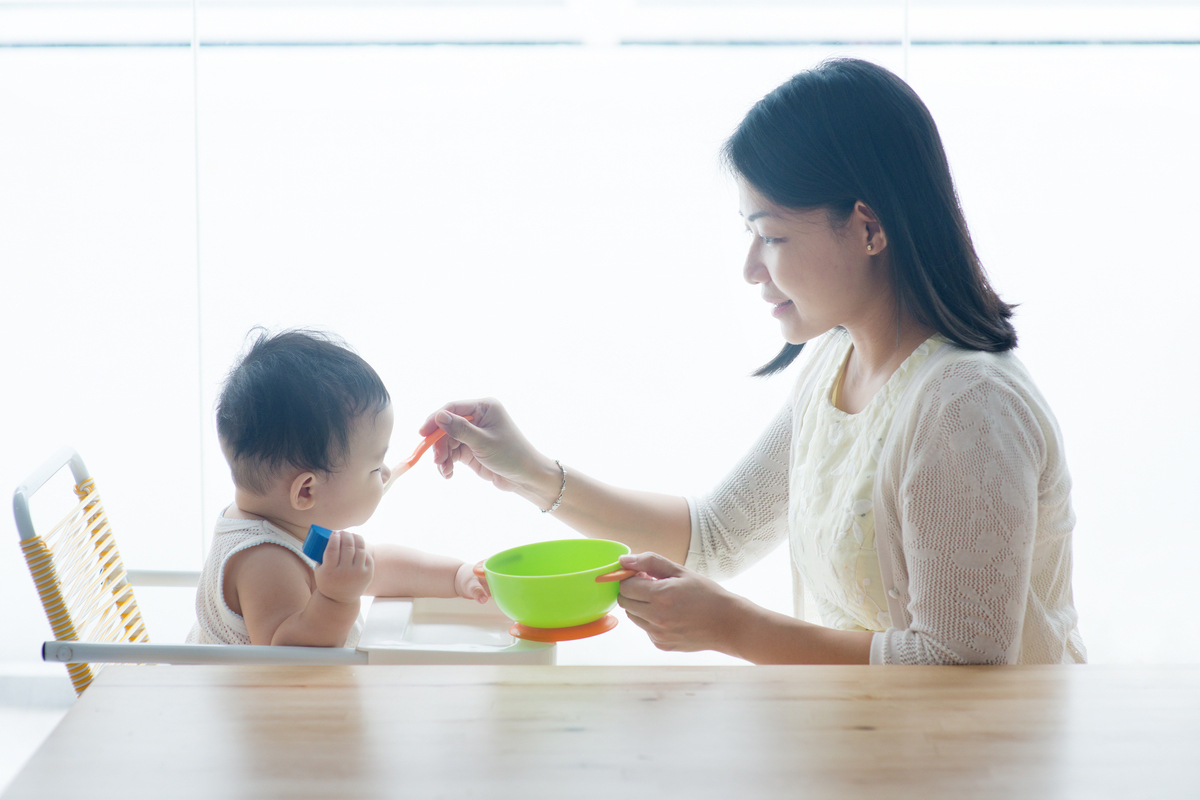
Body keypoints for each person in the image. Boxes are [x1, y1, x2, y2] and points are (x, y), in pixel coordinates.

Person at [417, 58, 1085, 666]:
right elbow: (717, 536)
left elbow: (961, 666)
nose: (750, 268)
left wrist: (733, 627)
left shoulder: (966, 406)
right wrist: (528, 472)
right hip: (870, 738)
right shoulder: (837, 364)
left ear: (869, 228)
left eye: (772, 236)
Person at [188, 329, 489, 648]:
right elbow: (288, 657)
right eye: (375, 467)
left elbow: (376, 565)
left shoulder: (287, 521)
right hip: (271, 684)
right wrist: (337, 598)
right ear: (306, 491)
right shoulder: (264, 560)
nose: (386, 473)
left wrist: (456, 576)